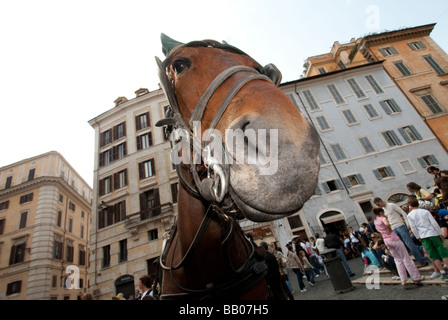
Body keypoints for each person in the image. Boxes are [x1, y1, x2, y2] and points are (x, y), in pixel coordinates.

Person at [373, 207, 422, 288]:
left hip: (386, 240)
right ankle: (416, 278)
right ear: (381, 213)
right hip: (393, 238)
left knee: (397, 260)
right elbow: (387, 223)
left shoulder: (375, 221)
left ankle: (403, 279)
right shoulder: (382, 218)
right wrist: (389, 229)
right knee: (406, 258)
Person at [373, 197, 428, 267]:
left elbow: (402, 212)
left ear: (381, 201)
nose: (379, 206)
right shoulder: (384, 210)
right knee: (404, 245)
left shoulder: (391, 205)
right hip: (393, 228)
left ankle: (422, 260)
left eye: (378, 204)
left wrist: (408, 223)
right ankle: (419, 249)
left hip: (400, 225)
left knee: (409, 244)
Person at [407, 197, 448, 281]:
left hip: (423, 236)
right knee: (443, 252)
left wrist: (418, 236)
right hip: (433, 233)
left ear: (410, 205)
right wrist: (440, 234)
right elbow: (434, 223)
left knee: (433, 255)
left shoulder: (410, 215)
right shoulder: (425, 212)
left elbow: (413, 227)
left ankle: (442, 272)